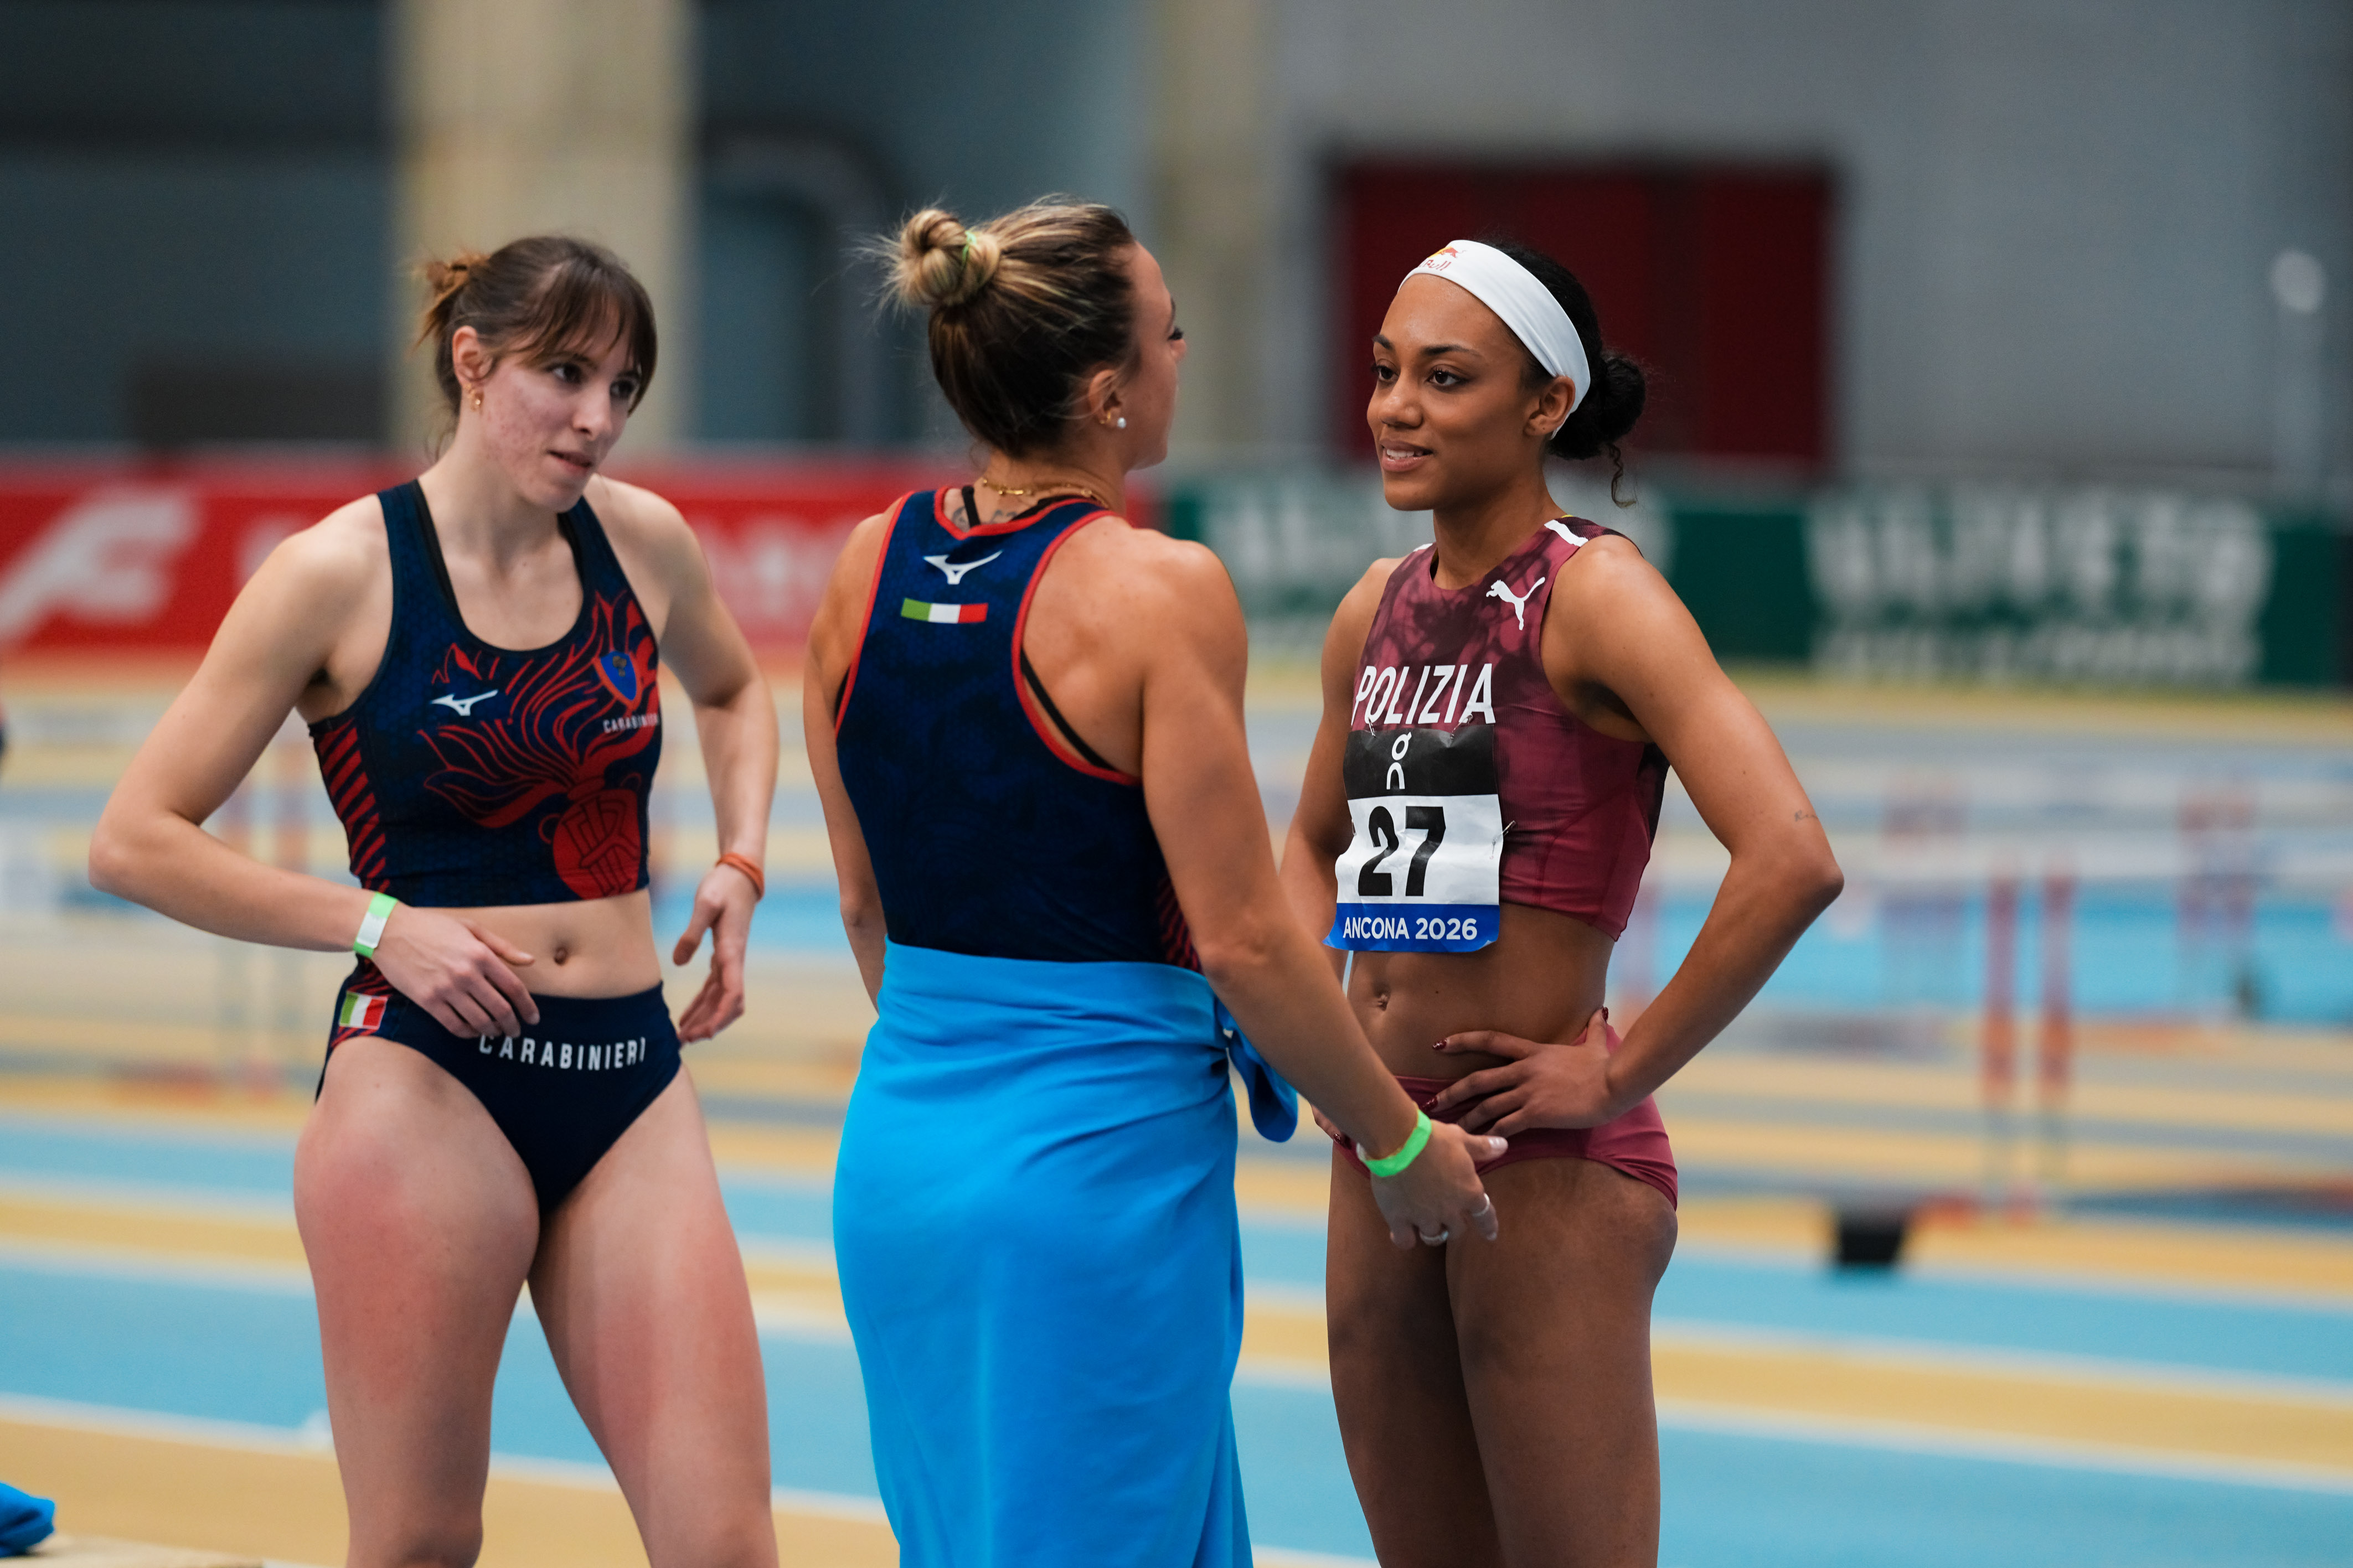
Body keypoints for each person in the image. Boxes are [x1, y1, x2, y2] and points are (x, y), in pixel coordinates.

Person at [803, 200, 1504, 1568]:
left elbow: (864, 908)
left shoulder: (863, 565)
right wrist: (1399, 1145)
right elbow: (1243, 941)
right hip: (1092, 1187)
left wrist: (983, 1058)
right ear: (1107, 390)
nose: (1185, 355)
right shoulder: (1157, 590)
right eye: (1170, 333)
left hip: (896, 1167)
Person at [90, 236, 782, 1568]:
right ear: (473, 362)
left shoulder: (643, 542)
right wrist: (375, 925)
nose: (598, 418)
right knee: (418, 1542)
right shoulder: (336, 573)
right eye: (564, 375)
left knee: (724, 1548)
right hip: (427, 1083)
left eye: (624, 387)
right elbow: (133, 839)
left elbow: (735, 688)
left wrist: (741, 860)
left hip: (628, 1079)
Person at [1281, 239, 1846, 1567]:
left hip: (1540, 1160)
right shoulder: (1372, 610)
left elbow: (1791, 857)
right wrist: (1319, 1038)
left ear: (1546, 403)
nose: (1396, 407)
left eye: (1444, 377)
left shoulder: (1598, 598)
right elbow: (1309, 846)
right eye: (1384, 372)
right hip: (1384, 1148)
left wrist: (1613, 1072)